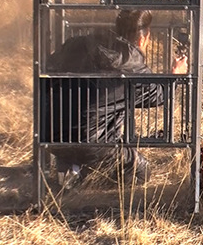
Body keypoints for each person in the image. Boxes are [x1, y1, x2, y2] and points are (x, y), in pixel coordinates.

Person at [42, 10, 188, 189]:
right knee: (141, 172)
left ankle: (71, 167)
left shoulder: (77, 44)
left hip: (49, 135)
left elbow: (48, 66)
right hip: (90, 142)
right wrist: (175, 75)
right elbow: (159, 95)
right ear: (143, 39)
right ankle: (82, 180)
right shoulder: (131, 65)